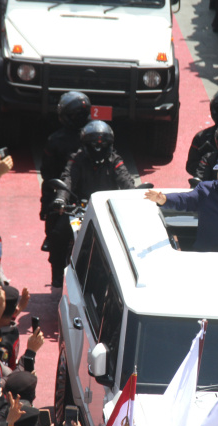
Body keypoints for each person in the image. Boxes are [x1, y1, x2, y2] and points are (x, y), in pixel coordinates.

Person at [48, 120, 135, 287]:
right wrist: (61, 199)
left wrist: (134, 195)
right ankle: (57, 274)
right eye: (94, 145)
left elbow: (126, 180)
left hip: (108, 210)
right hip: (79, 209)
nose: (98, 149)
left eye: (103, 145)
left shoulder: (115, 160)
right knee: (58, 233)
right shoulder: (77, 160)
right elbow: (68, 179)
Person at [40, 91, 91, 251]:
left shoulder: (56, 140)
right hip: (65, 193)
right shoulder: (57, 140)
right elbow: (49, 176)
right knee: (55, 233)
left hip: (88, 190)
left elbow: (47, 173)